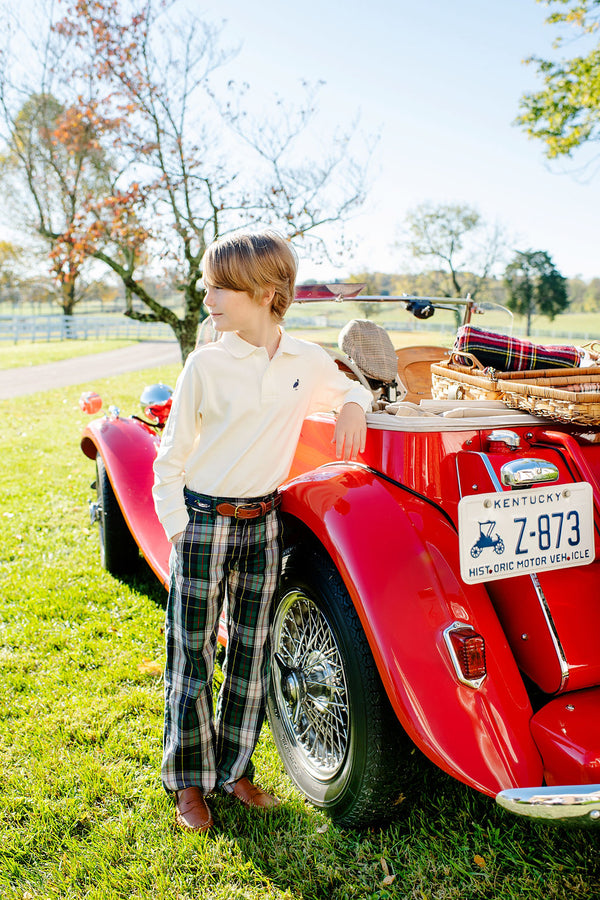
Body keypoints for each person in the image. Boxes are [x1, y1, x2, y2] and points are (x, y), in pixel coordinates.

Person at [152, 230, 373, 833]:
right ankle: (189, 781)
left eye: (220, 288)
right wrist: (179, 529)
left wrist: (353, 403)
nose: (208, 300)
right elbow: (170, 457)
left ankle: (234, 771)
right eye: (208, 287)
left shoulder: (305, 360)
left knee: (252, 655)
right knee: (191, 656)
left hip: (264, 524)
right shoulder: (205, 363)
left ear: (266, 292)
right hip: (203, 523)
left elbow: (351, 385)